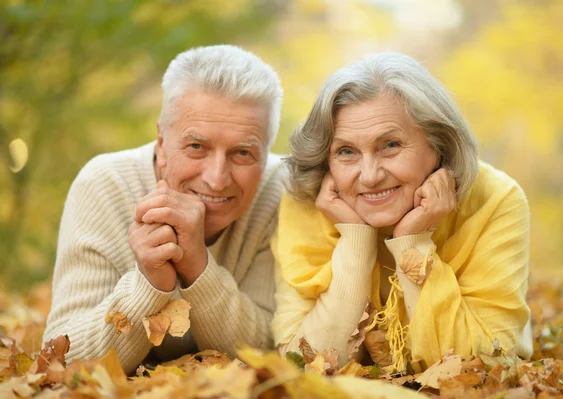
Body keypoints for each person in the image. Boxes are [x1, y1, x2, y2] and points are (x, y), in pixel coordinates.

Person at [271, 52, 532, 374]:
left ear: (440, 145)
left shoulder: (496, 201)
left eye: (390, 145)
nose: (369, 175)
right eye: (346, 152)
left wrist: (413, 243)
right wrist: (354, 240)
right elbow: (299, 364)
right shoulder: (309, 202)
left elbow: (483, 369)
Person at [43, 45, 285, 374]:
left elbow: (275, 352)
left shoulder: (280, 191)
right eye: (197, 146)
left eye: (242, 153)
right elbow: (59, 362)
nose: (216, 179)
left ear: (268, 153)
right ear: (161, 143)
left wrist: (198, 267)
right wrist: (149, 284)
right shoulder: (104, 185)